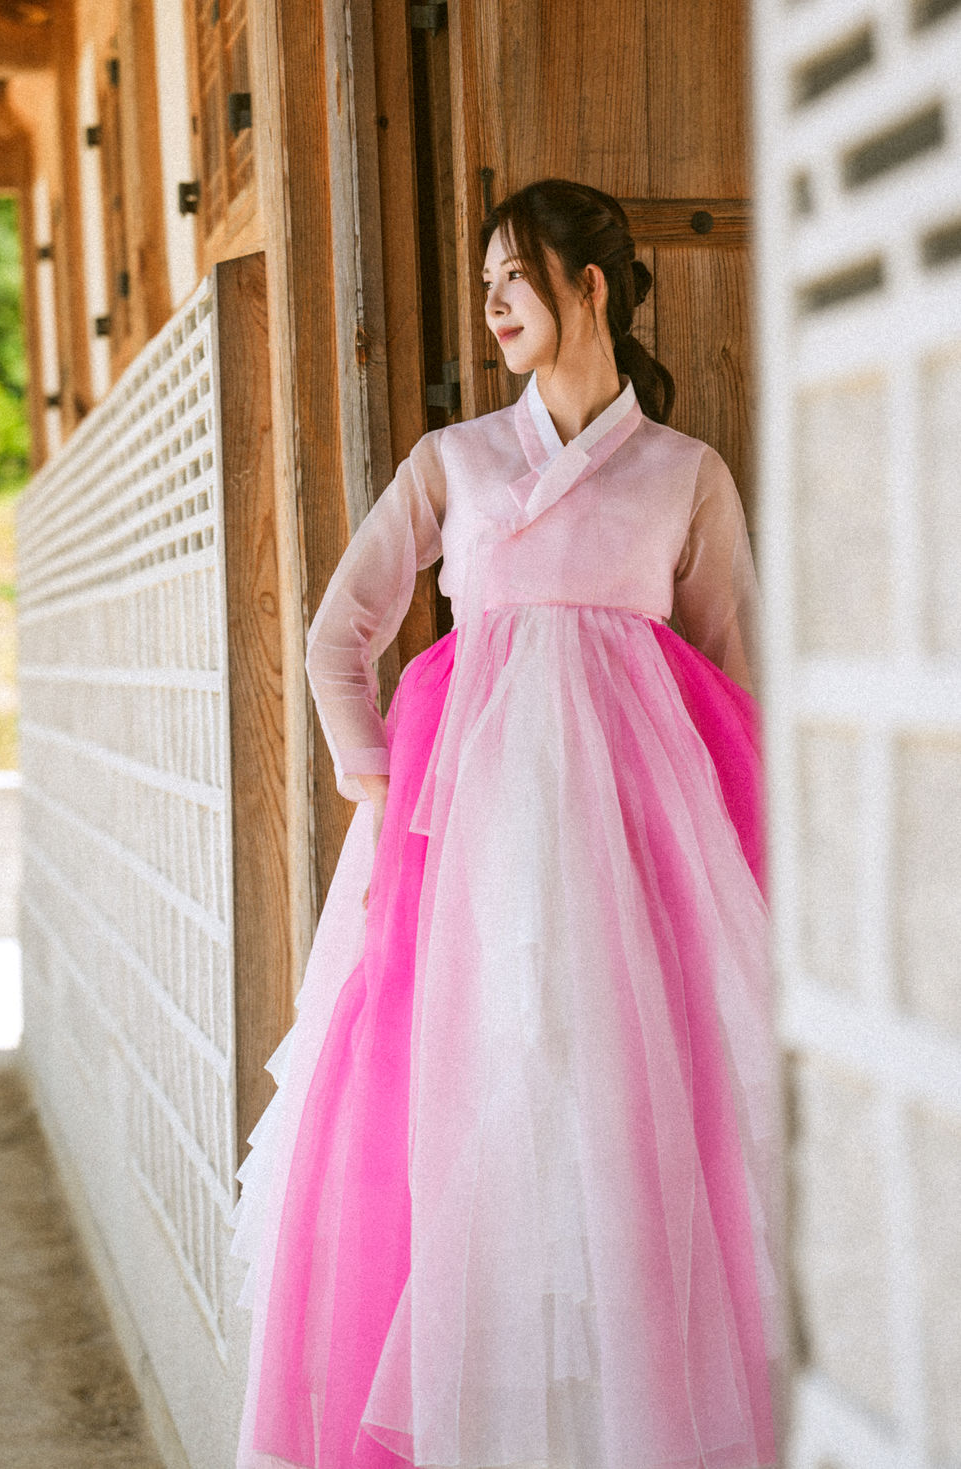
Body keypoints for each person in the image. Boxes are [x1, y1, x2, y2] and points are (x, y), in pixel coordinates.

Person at [230, 178, 782, 1469]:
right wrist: (383, 784)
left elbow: (731, 674)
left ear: (593, 283)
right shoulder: (457, 462)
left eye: (514, 277)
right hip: (461, 851)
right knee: (471, 1102)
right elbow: (337, 635)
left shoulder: (683, 476)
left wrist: (738, 868)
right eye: (483, 282)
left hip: (638, 866)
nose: (491, 303)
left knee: (630, 1123)